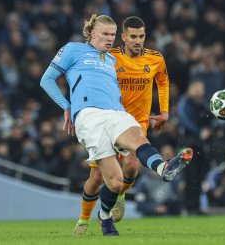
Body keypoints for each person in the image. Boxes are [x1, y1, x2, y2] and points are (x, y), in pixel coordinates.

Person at [40, 14, 193, 236]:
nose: (110, 39)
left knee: (139, 139)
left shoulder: (111, 59)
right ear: (93, 33)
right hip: (89, 116)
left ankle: (164, 168)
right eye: (105, 34)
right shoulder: (73, 49)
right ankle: (95, 218)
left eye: (112, 35)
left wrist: (162, 111)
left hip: (117, 113)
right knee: (111, 181)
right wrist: (67, 106)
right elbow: (46, 79)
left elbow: (155, 79)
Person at [72, 16, 178, 236]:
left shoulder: (156, 59)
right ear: (123, 37)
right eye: (133, 36)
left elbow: (163, 82)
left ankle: (117, 199)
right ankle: (83, 219)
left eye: (141, 36)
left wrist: (165, 111)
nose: (138, 41)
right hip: (106, 120)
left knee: (131, 166)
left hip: (134, 123)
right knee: (96, 178)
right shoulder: (109, 57)